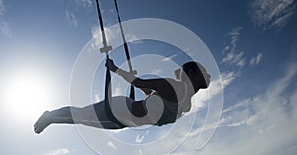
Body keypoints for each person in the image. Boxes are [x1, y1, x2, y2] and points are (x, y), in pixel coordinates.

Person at [34, 59, 211, 134]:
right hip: (120, 109)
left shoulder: (187, 103)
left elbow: (152, 96)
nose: (209, 76)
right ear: (193, 73)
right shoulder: (175, 86)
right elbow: (139, 82)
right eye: (205, 72)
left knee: (80, 119)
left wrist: (143, 91)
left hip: (123, 122)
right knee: (80, 115)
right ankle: (49, 116)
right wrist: (114, 68)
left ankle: (51, 117)